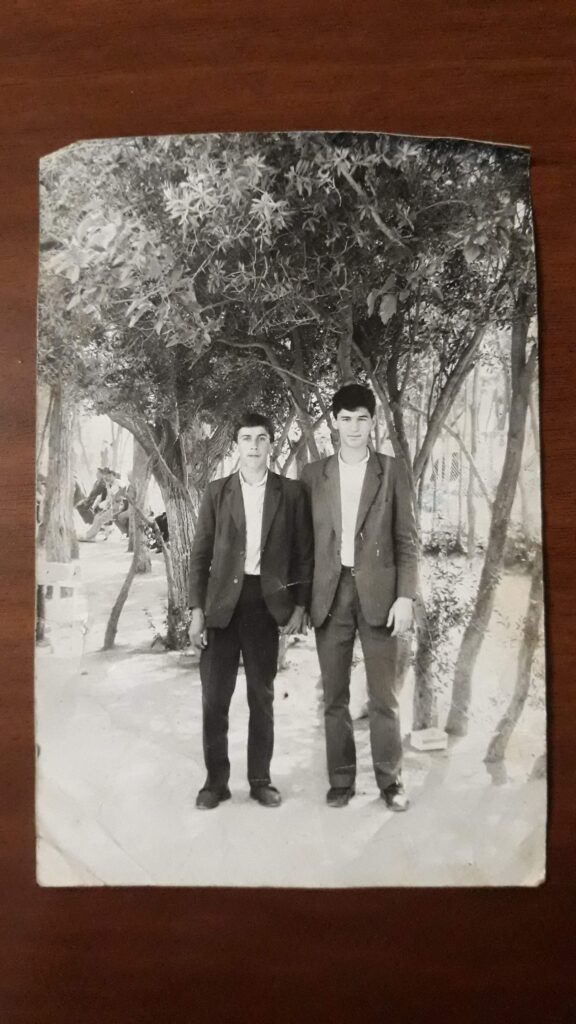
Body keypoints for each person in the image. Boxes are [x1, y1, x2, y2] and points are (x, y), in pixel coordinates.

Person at [301, 383, 419, 811]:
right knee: (334, 697)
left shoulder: (391, 470)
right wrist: (299, 602)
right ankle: (341, 781)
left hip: (380, 596)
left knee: (383, 696)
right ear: (334, 422)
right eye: (346, 418)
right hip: (329, 595)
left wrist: (405, 596)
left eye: (362, 418)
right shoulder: (314, 475)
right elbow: (303, 545)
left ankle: (391, 783)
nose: (354, 427)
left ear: (373, 422)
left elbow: (406, 541)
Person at [188, 412, 313, 810]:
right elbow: (200, 555)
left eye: (261, 438)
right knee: (214, 699)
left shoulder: (290, 493)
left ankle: (260, 780)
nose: (254, 446)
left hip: (265, 605)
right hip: (222, 606)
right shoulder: (216, 492)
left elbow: (304, 554)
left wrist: (301, 605)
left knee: (261, 696)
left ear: (271, 444)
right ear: (236, 445)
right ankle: (215, 782)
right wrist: (196, 609)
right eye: (246, 438)